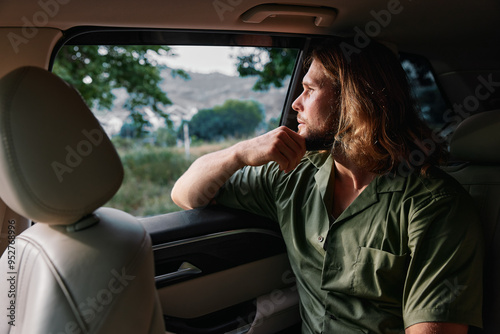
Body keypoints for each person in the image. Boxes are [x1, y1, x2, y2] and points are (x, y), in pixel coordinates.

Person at [171, 38, 484, 334]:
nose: (295, 103)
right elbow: (186, 194)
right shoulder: (292, 175)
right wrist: (239, 153)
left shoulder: (435, 206)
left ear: (352, 100)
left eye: (309, 89)